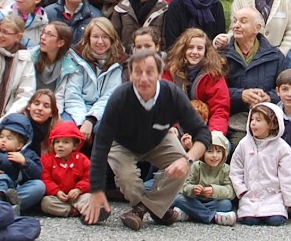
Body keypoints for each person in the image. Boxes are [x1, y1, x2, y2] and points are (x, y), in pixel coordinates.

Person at [81, 50, 211, 229]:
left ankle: (141, 210)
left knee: (184, 164)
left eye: (149, 72)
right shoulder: (119, 98)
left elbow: (203, 133)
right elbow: (101, 146)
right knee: (127, 178)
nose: (143, 78)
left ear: (159, 73)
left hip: (159, 139)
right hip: (122, 143)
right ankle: (159, 210)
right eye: (137, 72)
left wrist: (188, 159)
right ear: (130, 73)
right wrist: (96, 191)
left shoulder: (172, 95)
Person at [221, 8, 287, 138]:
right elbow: (214, 92)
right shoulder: (221, 55)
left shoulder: (275, 56)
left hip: (268, 120)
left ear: (257, 28)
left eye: (243, 21)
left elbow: (286, 89)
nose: (236, 25)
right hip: (233, 120)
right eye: (235, 21)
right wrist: (241, 95)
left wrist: (268, 98)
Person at [229, 102, 291, 226]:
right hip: (250, 196)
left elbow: (288, 176)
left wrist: (289, 201)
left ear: (272, 124)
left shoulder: (282, 147)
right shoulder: (244, 144)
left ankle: (275, 211)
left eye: (258, 120)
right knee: (250, 221)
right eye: (252, 119)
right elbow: (235, 169)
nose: (253, 123)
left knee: (275, 221)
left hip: (273, 197)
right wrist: (241, 190)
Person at [0, 114, 45, 212]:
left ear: (20, 145)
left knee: (39, 186)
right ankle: (3, 206)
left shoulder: (27, 154)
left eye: (9, 138)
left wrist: (25, 162)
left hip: (14, 187)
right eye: (2, 136)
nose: (3, 140)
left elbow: (38, 173)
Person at [40, 119, 94, 218]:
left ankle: (89, 211)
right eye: (57, 142)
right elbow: (45, 179)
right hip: (57, 197)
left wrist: (79, 189)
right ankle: (73, 211)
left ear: (75, 146)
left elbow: (89, 177)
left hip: (77, 196)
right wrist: (56, 191)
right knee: (46, 202)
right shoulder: (47, 160)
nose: (60, 145)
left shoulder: (82, 159)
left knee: (89, 197)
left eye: (66, 142)